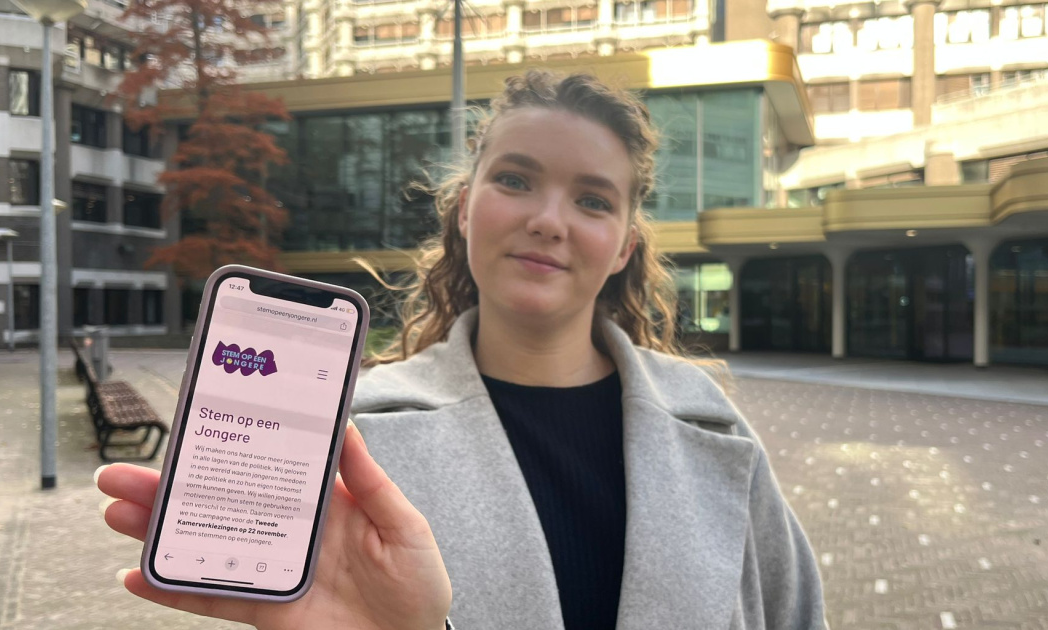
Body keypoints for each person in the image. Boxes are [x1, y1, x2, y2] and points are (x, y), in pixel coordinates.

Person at [95, 69, 827, 630]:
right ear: (466, 208)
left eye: (593, 200)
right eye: (515, 180)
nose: (548, 220)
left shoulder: (715, 431)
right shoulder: (354, 439)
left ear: (623, 247)